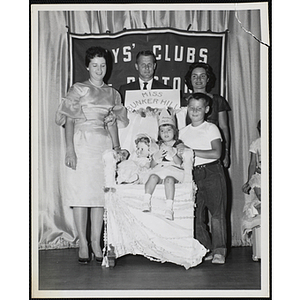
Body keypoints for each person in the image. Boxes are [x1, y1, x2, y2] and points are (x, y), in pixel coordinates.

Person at [55, 46, 129, 264]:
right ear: (87, 66)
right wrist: (70, 149)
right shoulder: (78, 89)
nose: (99, 69)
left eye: (103, 65)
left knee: (99, 196)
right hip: (82, 144)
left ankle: (96, 242)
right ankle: (83, 243)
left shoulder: (112, 93)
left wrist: (116, 148)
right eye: (95, 65)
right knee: (81, 195)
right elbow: (69, 119)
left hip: (103, 146)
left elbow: (114, 123)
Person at [177, 93, 227, 264]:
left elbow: (217, 153)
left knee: (217, 214)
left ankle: (220, 250)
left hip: (213, 172)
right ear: (187, 109)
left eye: (199, 108)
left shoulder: (211, 128)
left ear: (206, 110)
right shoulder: (182, 132)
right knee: (195, 215)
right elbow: (179, 158)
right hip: (192, 174)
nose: (195, 111)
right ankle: (205, 248)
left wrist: (190, 151)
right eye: (192, 108)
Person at [182, 62, 231, 168]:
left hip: (212, 152)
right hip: (189, 152)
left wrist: (226, 152)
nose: (198, 80)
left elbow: (224, 127)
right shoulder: (183, 101)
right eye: (194, 76)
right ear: (190, 79)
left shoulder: (218, 100)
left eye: (202, 76)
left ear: (208, 79)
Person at [142, 108, 184, 221]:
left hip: (173, 171)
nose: (165, 133)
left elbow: (180, 163)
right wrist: (157, 156)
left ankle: (169, 208)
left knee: (169, 179)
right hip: (160, 171)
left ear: (174, 131)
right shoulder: (157, 145)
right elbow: (152, 164)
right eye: (162, 131)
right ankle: (146, 201)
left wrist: (174, 154)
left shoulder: (178, 145)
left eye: (169, 130)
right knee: (152, 177)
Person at [242, 120, 261, 203]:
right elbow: (252, 164)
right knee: (261, 197)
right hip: (260, 175)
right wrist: (249, 181)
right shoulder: (256, 143)